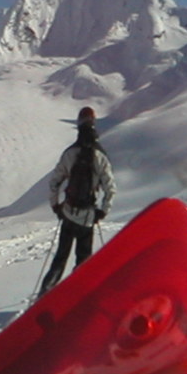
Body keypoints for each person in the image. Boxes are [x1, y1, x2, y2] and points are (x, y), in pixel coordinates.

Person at [40, 107, 116, 295]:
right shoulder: (100, 156)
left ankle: (45, 292)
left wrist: (56, 205)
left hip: (68, 213)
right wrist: (103, 210)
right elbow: (110, 188)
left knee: (60, 258)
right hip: (87, 218)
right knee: (83, 260)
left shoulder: (70, 153)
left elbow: (55, 182)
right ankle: (78, 295)